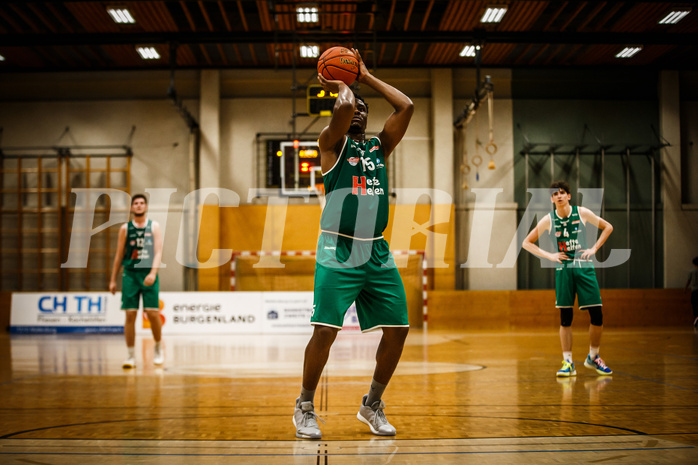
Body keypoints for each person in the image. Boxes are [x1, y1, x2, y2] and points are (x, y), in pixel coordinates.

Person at [293, 49, 414, 439]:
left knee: (398, 329)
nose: (358, 110)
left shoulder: (379, 147)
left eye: (365, 108)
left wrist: (367, 75)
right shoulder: (330, 144)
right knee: (325, 331)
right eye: (353, 107)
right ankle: (305, 406)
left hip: (376, 249)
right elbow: (344, 104)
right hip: (338, 249)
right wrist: (346, 84)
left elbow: (406, 105)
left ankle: (372, 404)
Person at [522, 181, 614, 377]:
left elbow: (608, 227)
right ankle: (568, 362)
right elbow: (526, 242)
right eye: (555, 194)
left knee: (597, 314)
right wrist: (550, 255)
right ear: (551, 199)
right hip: (563, 268)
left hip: (584, 267)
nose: (559, 196)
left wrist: (594, 249)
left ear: (569, 196)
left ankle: (594, 356)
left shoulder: (581, 213)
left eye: (562, 193)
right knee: (566, 318)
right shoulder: (548, 219)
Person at [109, 194, 164, 368]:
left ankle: (157, 347)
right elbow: (119, 255)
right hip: (131, 274)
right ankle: (131, 355)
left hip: (148, 274)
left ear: (146, 207)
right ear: (132, 208)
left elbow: (158, 252)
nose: (139, 206)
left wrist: (153, 273)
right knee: (130, 314)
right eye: (136, 203)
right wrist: (113, 280)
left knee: (153, 313)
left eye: (142, 203)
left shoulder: (154, 226)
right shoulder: (125, 229)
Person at [685, 257, 698, 328]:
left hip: (694, 290)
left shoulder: (691, 271)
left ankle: (696, 318)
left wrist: (685, 289)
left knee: (694, 304)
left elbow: (689, 281)